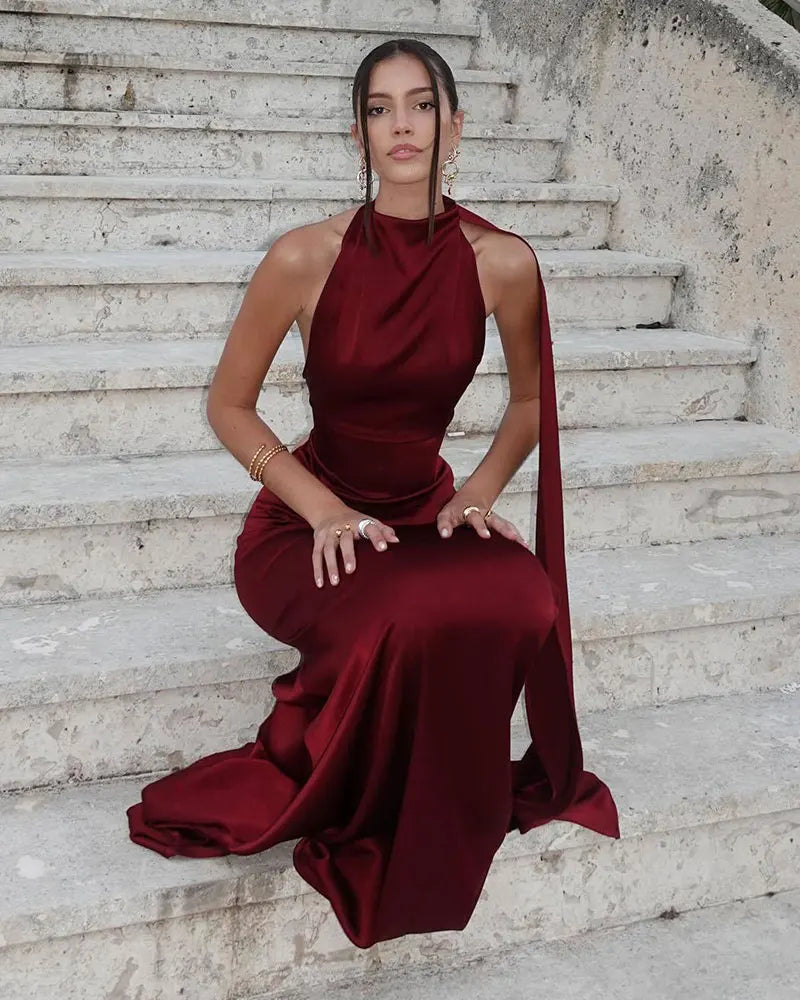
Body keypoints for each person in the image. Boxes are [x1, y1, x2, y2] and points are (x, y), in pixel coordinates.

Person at [126, 37, 620, 950]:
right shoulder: (302, 257)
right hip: (304, 525)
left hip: (422, 517)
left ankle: (431, 783)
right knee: (404, 607)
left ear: (454, 126)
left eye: (421, 105)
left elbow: (528, 399)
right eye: (381, 108)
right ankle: (359, 780)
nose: (402, 125)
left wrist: (475, 490)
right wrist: (321, 509)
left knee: (522, 592)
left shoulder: (501, 262)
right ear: (357, 132)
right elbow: (228, 406)